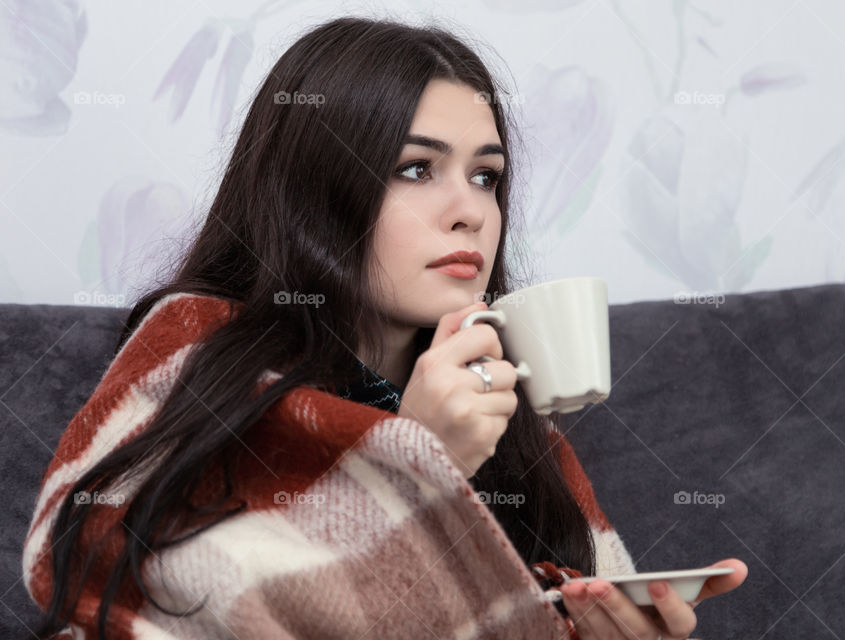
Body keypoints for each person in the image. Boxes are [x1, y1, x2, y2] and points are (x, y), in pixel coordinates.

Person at [23, 15, 746, 639]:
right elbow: (122, 579)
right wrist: (419, 459)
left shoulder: (508, 413)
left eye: (487, 176)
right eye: (416, 169)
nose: (469, 210)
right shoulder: (197, 347)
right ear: (317, 193)